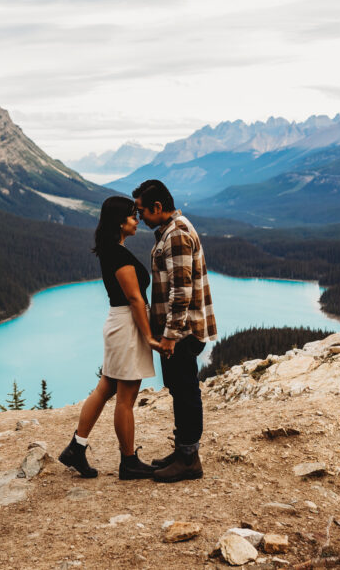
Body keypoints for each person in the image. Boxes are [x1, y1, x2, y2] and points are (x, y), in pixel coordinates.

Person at [58, 196, 161, 480]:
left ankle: (76, 448)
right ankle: (128, 462)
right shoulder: (118, 254)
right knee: (125, 398)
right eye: (131, 216)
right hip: (127, 325)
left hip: (118, 323)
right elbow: (135, 299)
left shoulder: (111, 250)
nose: (136, 220)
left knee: (105, 388)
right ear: (119, 222)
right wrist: (149, 337)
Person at [132, 179, 217, 482]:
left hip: (183, 331)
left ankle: (190, 460)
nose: (139, 217)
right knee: (180, 389)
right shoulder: (172, 230)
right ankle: (182, 451)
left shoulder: (177, 234)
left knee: (185, 391)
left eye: (141, 210)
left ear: (157, 207)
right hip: (181, 329)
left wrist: (169, 335)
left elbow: (181, 291)